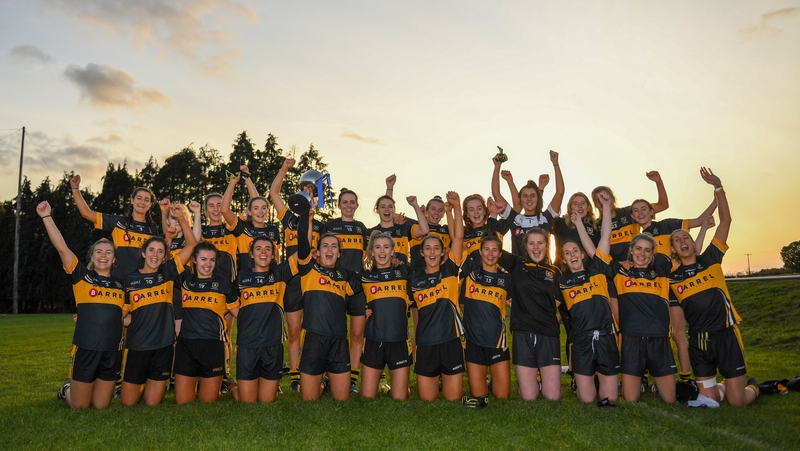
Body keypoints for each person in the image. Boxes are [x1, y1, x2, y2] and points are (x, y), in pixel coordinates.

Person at [669, 168, 758, 407]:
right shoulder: (673, 281)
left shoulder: (711, 258)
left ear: (693, 243)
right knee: (711, 399)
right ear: (674, 251)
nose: (682, 241)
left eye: (685, 237)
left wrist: (718, 187)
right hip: (700, 341)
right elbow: (677, 323)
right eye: (677, 240)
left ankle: (755, 387)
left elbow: (726, 220)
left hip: (726, 334)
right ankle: (725, 387)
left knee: (737, 402)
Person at [577, 195, 676, 403]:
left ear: (653, 254)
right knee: (630, 398)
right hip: (631, 339)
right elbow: (598, 245)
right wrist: (598, 212)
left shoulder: (662, 270)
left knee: (669, 399)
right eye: (638, 249)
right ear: (630, 250)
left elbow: (686, 254)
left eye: (647, 250)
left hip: (659, 339)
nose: (642, 253)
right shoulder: (621, 273)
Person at [39, 201, 124, 409]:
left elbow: (125, 315)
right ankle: (67, 387)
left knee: (101, 406)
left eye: (108, 253)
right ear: (92, 257)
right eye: (99, 252)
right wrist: (46, 217)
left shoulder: (122, 285)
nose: (103, 256)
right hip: (86, 347)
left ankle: (86, 386)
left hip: (112, 350)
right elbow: (62, 247)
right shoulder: (82, 277)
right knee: (80, 407)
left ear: (114, 259)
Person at [630, 196, 716, 382]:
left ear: (652, 211)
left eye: (644, 208)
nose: (640, 213)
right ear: (632, 216)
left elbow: (697, 238)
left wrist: (717, 195)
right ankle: (644, 376)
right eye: (636, 210)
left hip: (675, 286)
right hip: (652, 290)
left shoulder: (668, 226)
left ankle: (686, 378)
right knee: (651, 332)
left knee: (678, 333)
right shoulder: (638, 240)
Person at [121, 203, 197, 406]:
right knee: (128, 403)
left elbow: (191, 245)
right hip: (138, 346)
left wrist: (181, 218)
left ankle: (150, 382)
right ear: (144, 253)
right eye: (151, 250)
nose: (155, 255)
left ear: (165, 257)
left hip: (163, 346)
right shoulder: (130, 280)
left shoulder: (168, 274)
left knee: (152, 403)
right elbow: (124, 315)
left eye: (160, 252)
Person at [291, 209, 365, 401]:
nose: (329, 250)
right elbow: (303, 244)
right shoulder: (309, 270)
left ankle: (327, 380)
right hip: (314, 340)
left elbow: (369, 283)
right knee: (309, 399)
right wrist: (306, 219)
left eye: (333, 246)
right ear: (318, 250)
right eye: (325, 246)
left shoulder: (345, 276)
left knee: (342, 398)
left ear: (339, 254)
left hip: (338, 342)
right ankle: (321, 381)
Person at [555, 194, 619, 405]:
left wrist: (607, 208)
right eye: (567, 253)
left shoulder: (598, 271)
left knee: (609, 399)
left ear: (582, 254)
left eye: (575, 251)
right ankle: (584, 380)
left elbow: (605, 238)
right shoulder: (562, 282)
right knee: (587, 399)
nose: (572, 255)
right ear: (563, 259)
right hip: (581, 342)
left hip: (605, 338)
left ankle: (602, 378)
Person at [269, 157, 324, 393]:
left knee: (313, 329)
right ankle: (294, 375)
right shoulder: (290, 219)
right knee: (293, 330)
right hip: (292, 280)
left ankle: (313, 371)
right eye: (305, 190)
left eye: (312, 191)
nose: (308, 193)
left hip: (313, 280)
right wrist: (284, 168)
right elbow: (273, 193)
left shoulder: (323, 225)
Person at [410, 191, 465, 402]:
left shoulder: (451, 270)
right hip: (426, 345)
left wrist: (457, 206)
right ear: (421, 253)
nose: (432, 252)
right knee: (427, 401)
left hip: (451, 343)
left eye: (436, 249)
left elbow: (458, 237)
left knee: (453, 399)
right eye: (427, 249)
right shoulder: (414, 280)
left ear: (443, 252)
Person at [173, 242, 239, 404]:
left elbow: (240, 314)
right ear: (194, 260)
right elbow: (169, 264)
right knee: (182, 402)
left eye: (212, 260)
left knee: (208, 401)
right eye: (203, 259)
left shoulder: (224, 285)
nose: (207, 265)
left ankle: (231, 386)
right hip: (186, 346)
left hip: (212, 346)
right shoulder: (185, 281)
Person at [227, 237, 290, 403]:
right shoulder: (242, 278)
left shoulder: (280, 274)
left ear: (273, 254)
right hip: (248, 345)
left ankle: (269, 385)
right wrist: (247, 318)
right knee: (246, 400)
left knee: (266, 400)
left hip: (273, 345)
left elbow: (301, 256)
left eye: (268, 249)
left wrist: (306, 218)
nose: (263, 252)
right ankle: (232, 386)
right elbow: (231, 303)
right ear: (251, 254)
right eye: (259, 249)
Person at [504, 228, 563, 401]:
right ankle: (528, 383)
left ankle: (542, 380)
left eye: (540, 243)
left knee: (552, 397)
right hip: (523, 332)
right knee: (529, 397)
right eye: (531, 243)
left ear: (547, 246)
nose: (536, 247)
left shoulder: (555, 271)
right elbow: (492, 247)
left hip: (548, 334)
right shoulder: (516, 264)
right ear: (525, 247)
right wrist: (493, 215)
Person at [321, 188, 370, 393]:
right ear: (339, 204)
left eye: (352, 202)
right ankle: (327, 374)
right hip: (335, 285)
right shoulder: (330, 226)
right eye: (345, 202)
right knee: (334, 333)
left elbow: (372, 254)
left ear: (357, 206)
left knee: (357, 335)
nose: (348, 206)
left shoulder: (361, 228)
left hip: (357, 287)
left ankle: (351, 379)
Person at [70, 175, 158, 280]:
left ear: (150, 204)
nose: (142, 202)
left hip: (144, 284)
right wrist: (75, 189)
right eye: (139, 198)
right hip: (120, 281)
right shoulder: (118, 222)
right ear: (132, 200)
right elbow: (87, 214)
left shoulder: (152, 227)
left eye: (146, 200)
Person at [360, 230, 413, 400]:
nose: (382, 252)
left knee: (400, 397)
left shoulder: (404, 272)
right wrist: (362, 310)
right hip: (374, 339)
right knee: (367, 397)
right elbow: (352, 301)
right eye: (377, 247)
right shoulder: (365, 276)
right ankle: (383, 385)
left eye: (386, 247)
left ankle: (395, 388)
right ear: (372, 252)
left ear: (392, 251)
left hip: (399, 340)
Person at [460, 235, 512, 406]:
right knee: (480, 398)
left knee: (502, 397)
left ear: (500, 254)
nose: (490, 254)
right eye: (487, 249)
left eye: (495, 250)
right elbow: (462, 306)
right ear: (480, 251)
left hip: (497, 342)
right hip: (474, 343)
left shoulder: (507, 280)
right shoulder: (469, 278)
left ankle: (492, 382)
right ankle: (481, 384)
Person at [491, 151, 565, 257]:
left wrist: (556, 164)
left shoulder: (546, 217)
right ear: (520, 200)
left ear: (538, 198)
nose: (529, 199)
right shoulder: (515, 218)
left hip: (543, 271)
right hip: (520, 272)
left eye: (533, 196)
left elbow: (560, 193)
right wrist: (497, 167)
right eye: (525, 196)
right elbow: (496, 194)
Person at [590, 171, 669, 262]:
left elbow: (663, 205)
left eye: (605, 197)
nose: (603, 202)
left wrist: (658, 181)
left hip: (636, 263)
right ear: (595, 205)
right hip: (613, 269)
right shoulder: (595, 225)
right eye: (598, 200)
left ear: (613, 198)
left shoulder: (629, 212)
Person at [370, 174, 429, 265]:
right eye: (382, 207)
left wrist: (415, 205)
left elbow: (424, 230)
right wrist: (389, 187)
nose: (387, 209)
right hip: (380, 278)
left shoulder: (403, 229)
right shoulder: (373, 232)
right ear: (377, 210)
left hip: (402, 278)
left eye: (390, 207)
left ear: (394, 210)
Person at [408, 195, 451, 273]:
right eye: (433, 209)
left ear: (443, 214)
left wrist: (449, 212)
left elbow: (458, 235)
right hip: (417, 278)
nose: (436, 213)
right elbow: (390, 218)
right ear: (427, 211)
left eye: (440, 210)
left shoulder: (447, 230)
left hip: (440, 278)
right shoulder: (415, 228)